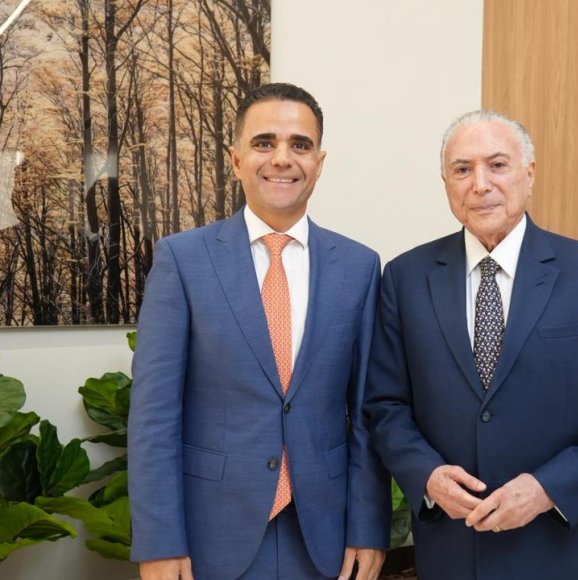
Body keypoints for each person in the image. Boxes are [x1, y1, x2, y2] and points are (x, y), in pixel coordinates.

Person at [364, 110, 578, 579]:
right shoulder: (406, 278)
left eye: (497, 165)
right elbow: (385, 406)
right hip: (451, 551)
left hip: (559, 550)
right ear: (446, 183)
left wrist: (545, 490)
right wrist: (427, 477)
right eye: (462, 169)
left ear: (529, 173)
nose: (480, 185)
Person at [129, 83, 390, 580]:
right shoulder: (182, 260)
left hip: (324, 537)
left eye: (300, 145)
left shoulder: (359, 267)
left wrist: (368, 527)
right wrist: (159, 542)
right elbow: (154, 416)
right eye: (264, 142)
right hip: (210, 535)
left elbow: (366, 415)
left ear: (319, 162)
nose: (282, 159)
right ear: (236, 159)